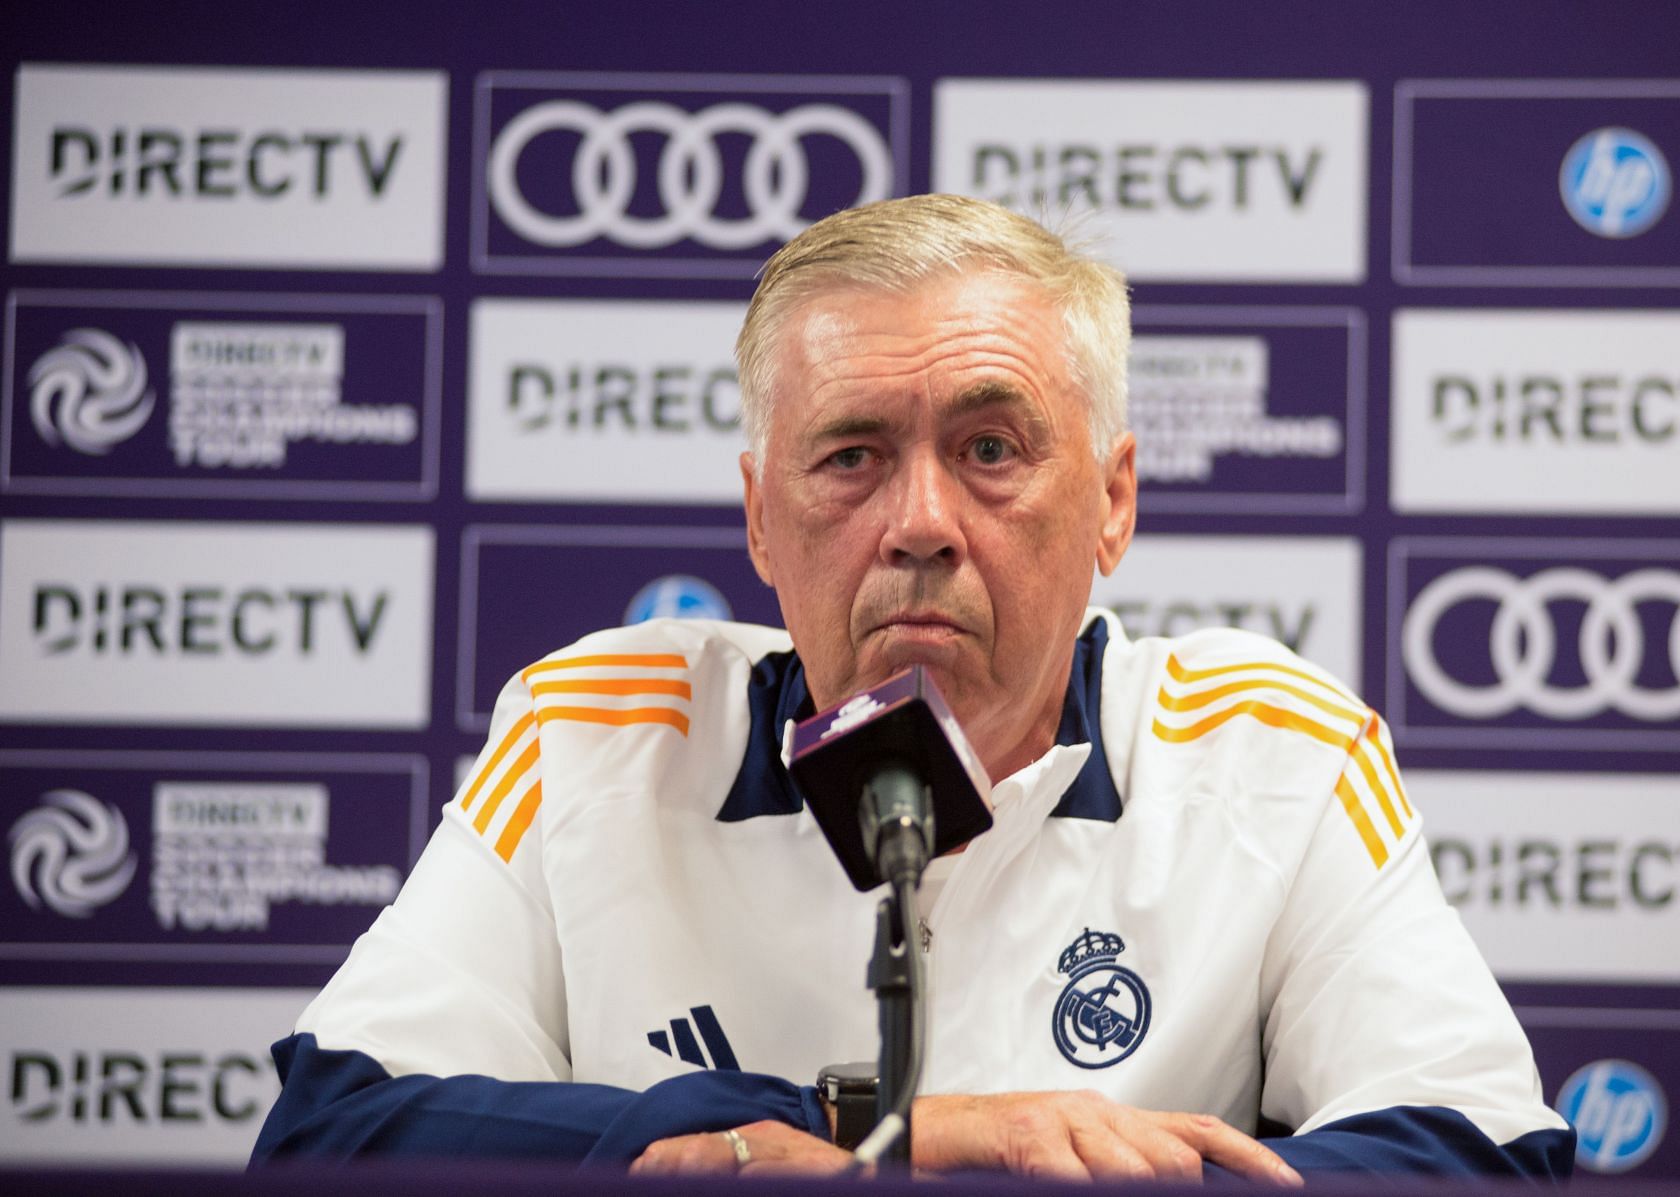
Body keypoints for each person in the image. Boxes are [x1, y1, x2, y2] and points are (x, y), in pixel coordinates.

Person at [253, 194, 1573, 1182]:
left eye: (990, 448)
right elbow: (335, 1136)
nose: (921, 522)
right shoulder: (596, 736)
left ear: (1113, 503)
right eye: (851, 457)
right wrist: (865, 1137)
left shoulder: (1273, 756)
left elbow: (1480, 1151)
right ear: (761, 518)